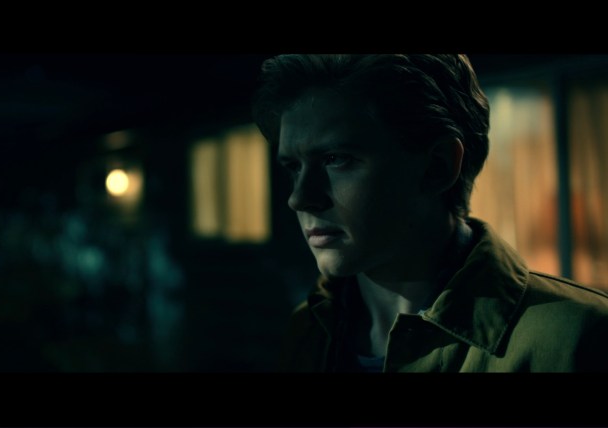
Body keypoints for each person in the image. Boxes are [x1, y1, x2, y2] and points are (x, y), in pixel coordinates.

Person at [251, 54, 608, 372]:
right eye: (293, 167)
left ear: (438, 166)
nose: (299, 198)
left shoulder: (578, 337)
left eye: (336, 159)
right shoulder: (308, 330)